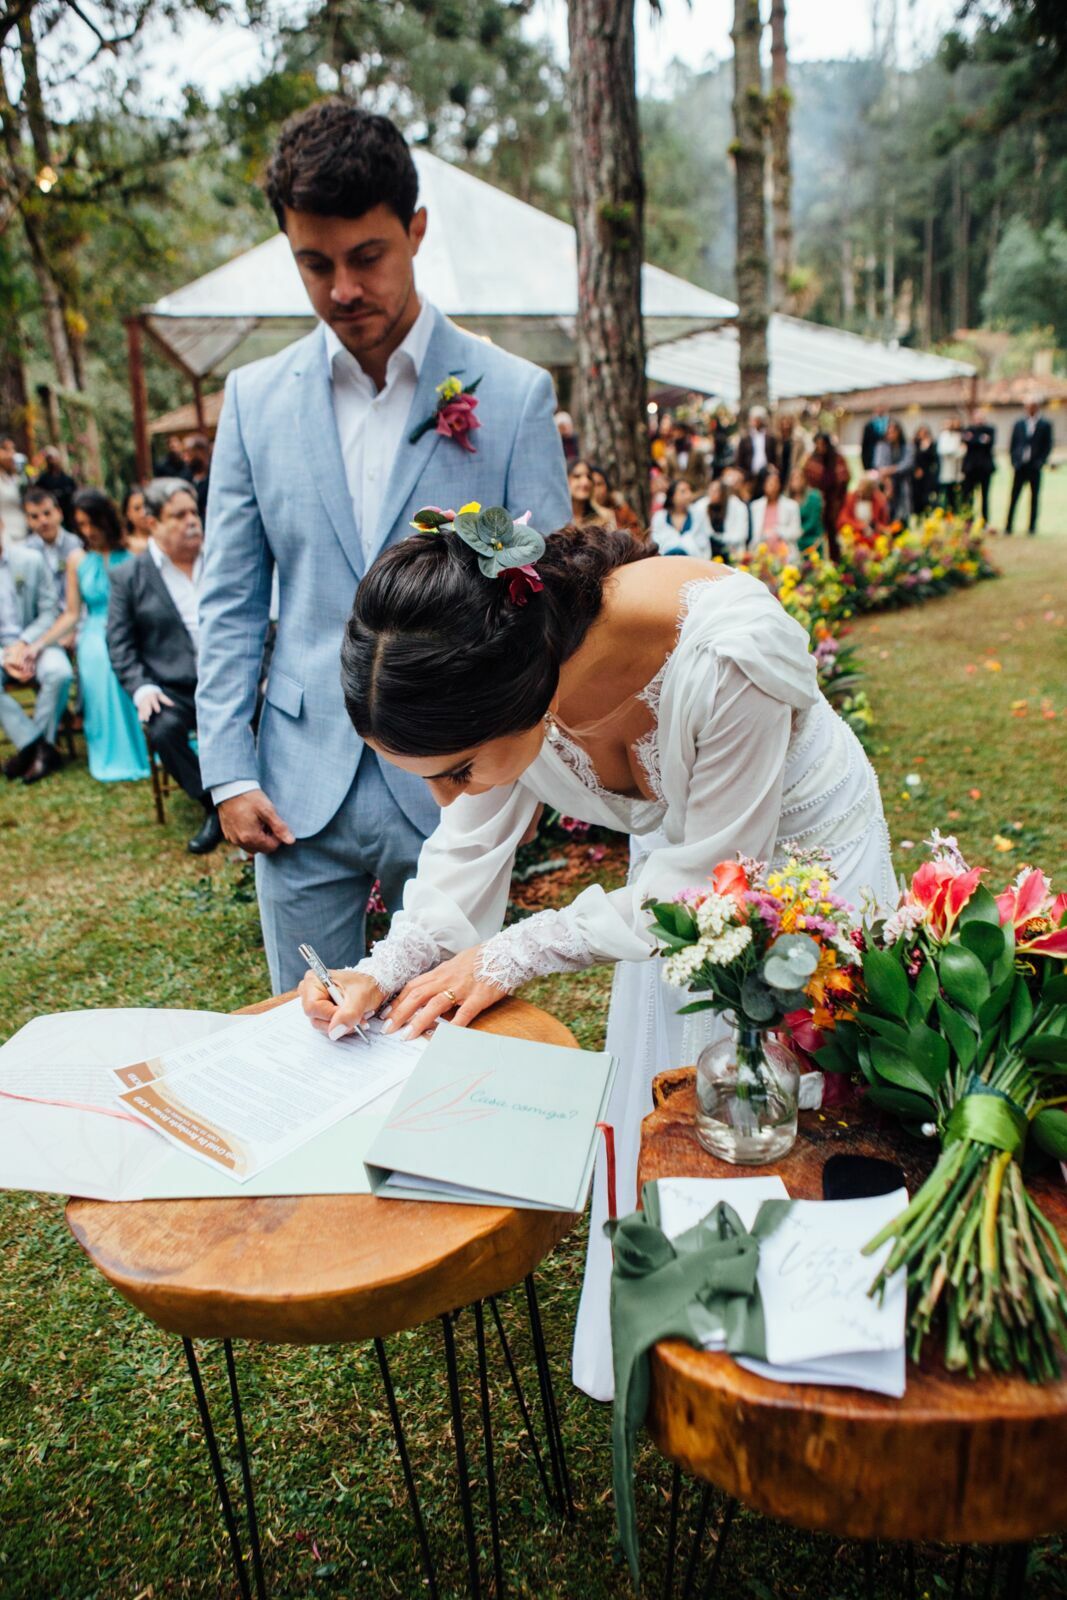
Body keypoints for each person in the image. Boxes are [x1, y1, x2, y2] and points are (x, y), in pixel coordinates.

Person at [299, 512, 895, 1403]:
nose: (447, 796)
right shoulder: (511, 669)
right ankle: (679, 1332)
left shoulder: (728, 655)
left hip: (803, 872)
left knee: (792, 1112)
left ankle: (809, 1344)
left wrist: (514, 951)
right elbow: (469, 845)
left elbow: (707, 883)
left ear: (521, 694)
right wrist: (384, 968)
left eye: (456, 770)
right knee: (674, 1109)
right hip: (673, 888)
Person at [196, 100, 571, 995]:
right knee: (304, 1022)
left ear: (416, 231)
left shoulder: (511, 394)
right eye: (314, 264)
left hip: (456, 778)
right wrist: (227, 770)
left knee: (443, 1028)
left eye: (366, 257)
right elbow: (230, 599)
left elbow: (552, 602)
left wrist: (527, 771)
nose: (342, 290)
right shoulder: (252, 401)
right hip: (294, 783)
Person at [107, 479, 220, 854]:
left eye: (194, 512)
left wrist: (264, 671)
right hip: (174, 688)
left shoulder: (221, 559)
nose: (192, 521)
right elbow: (120, 643)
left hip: (229, 679)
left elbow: (260, 620)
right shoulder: (128, 577)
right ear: (152, 522)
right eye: (179, 515)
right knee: (163, 728)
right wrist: (142, 687)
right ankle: (214, 805)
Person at [30, 487, 149, 782]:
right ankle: (112, 750)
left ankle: (148, 745)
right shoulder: (77, 560)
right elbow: (71, 614)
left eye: (92, 522)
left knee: (124, 656)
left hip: (134, 627)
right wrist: (39, 644)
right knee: (99, 655)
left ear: (106, 518)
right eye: (81, 524)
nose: (88, 531)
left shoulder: (136, 550)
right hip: (95, 631)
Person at [0, 514, 72, 784]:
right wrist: (6, 657)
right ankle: (36, 745)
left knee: (60, 673)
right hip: (2, 652)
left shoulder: (30, 560)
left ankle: (32, 751)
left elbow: (49, 611)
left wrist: (24, 644)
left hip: (37, 641)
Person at [24, 486, 83, 605]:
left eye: (47, 513)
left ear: (59, 513)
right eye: (35, 517)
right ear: (28, 521)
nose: (43, 521)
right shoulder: (25, 552)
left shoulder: (78, 545)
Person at [1006, 397, 1053, 536]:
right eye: (1027, 406)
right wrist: (1014, 461)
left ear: (1037, 407)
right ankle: (1008, 525)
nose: (1029, 409)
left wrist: (1040, 462)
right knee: (1014, 496)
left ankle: (1032, 527)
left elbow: (1047, 445)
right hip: (1020, 466)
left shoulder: (1045, 425)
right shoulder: (1019, 423)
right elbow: (1013, 443)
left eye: (1032, 406)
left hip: (1034, 466)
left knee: (1034, 498)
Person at [804, 433, 849, 561]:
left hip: (834, 502)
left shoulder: (837, 459)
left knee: (834, 533)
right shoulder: (812, 460)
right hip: (818, 503)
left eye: (822, 444)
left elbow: (844, 477)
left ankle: (837, 559)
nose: (820, 447)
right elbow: (807, 477)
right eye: (817, 444)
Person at [649, 479, 712, 558]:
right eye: (683, 491)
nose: (688, 495)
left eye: (690, 490)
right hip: (666, 561)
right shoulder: (659, 517)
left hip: (694, 560)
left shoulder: (698, 514)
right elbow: (656, 542)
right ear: (672, 496)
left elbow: (704, 542)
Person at [749, 466, 802, 558]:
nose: (772, 486)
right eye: (769, 483)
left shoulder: (791, 506)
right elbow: (753, 535)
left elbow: (796, 532)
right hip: (760, 555)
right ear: (764, 485)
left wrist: (778, 531)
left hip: (785, 554)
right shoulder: (755, 506)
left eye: (775, 483)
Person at [698, 476, 750, 561]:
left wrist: (720, 538)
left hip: (731, 552)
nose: (711, 493)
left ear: (723, 492)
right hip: (709, 553)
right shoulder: (702, 505)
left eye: (715, 491)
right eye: (710, 490)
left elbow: (741, 535)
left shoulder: (737, 506)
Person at [960, 411, 996, 523]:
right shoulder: (968, 429)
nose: (979, 420)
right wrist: (980, 439)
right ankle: (968, 519)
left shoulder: (990, 429)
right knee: (968, 495)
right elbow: (965, 441)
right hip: (970, 468)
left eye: (981, 418)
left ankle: (984, 520)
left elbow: (989, 443)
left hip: (985, 468)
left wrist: (973, 439)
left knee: (985, 496)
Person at [874, 418, 913, 522]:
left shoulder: (907, 446)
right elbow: (880, 466)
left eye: (893, 432)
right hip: (885, 483)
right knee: (887, 512)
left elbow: (907, 464)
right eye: (889, 432)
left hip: (902, 483)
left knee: (903, 514)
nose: (891, 435)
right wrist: (888, 483)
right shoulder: (881, 446)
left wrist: (891, 469)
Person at [589, 465, 643, 536]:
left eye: (599, 484)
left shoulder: (621, 511)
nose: (596, 489)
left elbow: (637, 535)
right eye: (592, 485)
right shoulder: (579, 514)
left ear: (607, 486)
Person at [735, 406, 778, 492]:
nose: (756, 422)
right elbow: (739, 459)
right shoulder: (745, 438)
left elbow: (775, 456)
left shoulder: (770, 438)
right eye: (754, 419)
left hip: (766, 475)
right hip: (749, 476)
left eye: (759, 419)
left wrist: (772, 467)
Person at [33, 446, 77, 528]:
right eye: (50, 458)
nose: (52, 461)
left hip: (67, 516)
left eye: (54, 458)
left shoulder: (67, 480)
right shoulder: (42, 480)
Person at [838, 470, 891, 537]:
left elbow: (883, 523)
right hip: (854, 534)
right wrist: (861, 526)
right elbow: (843, 519)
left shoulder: (879, 500)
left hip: (873, 536)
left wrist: (878, 527)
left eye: (865, 486)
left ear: (872, 489)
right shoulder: (850, 498)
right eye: (860, 485)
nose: (861, 489)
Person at [569, 459, 615, 528]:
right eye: (577, 476)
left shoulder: (604, 517)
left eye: (589, 477)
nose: (585, 482)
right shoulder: (555, 519)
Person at [790, 467, 824, 556]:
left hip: (811, 537)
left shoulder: (813, 497)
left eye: (799, 478)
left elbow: (814, 520)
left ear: (804, 479)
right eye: (794, 479)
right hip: (794, 539)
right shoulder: (788, 500)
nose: (797, 482)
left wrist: (801, 531)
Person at [0, 436, 27, 544]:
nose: (11, 454)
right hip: (6, 539)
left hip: (24, 534)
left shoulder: (18, 478)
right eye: (5, 450)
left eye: (13, 449)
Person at [910, 426, 940, 517]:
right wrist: (916, 469)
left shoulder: (931, 444)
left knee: (928, 495)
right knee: (917, 496)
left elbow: (934, 459)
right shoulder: (914, 444)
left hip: (928, 473)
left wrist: (927, 446)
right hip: (917, 474)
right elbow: (913, 458)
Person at [937, 416, 964, 513]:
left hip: (957, 471)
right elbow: (943, 450)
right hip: (946, 471)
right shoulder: (943, 436)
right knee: (945, 495)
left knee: (957, 496)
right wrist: (954, 451)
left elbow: (962, 451)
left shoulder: (958, 436)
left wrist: (954, 451)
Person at [182, 435, 212, 522]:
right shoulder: (184, 478)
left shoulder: (216, 477)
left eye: (188, 452)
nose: (185, 458)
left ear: (201, 452)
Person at [122, 487, 152, 554]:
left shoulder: (162, 537)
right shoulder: (126, 544)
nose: (144, 513)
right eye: (137, 509)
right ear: (128, 514)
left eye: (146, 506)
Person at [860, 406, 889, 472]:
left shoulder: (890, 424)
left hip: (887, 460)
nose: (880, 410)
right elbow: (865, 445)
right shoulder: (869, 425)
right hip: (872, 458)